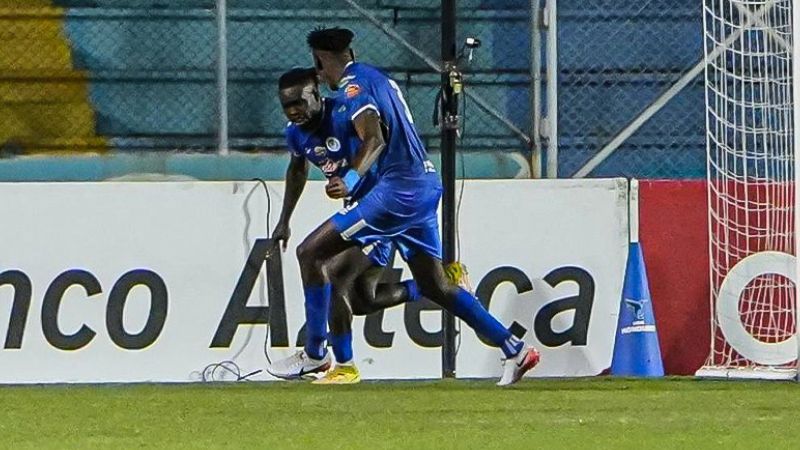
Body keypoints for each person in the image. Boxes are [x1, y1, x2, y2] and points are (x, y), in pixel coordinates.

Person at [269, 28, 540, 386]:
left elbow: (375, 138)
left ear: (320, 64)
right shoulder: (374, 77)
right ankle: (514, 348)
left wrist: (350, 180)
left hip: (396, 192)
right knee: (435, 286)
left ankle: (318, 356)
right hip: (422, 185)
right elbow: (307, 163)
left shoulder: (353, 88)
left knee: (311, 253)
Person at [267, 68, 422, 384]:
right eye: (287, 105)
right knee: (362, 300)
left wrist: (352, 178)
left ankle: (330, 360)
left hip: (381, 209)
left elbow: (377, 141)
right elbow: (297, 170)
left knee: (327, 269)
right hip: (355, 212)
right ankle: (434, 286)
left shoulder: (346, 111)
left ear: (317, 94)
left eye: (299, 102)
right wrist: (284, 220)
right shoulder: (295, 133)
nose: (294, 110)